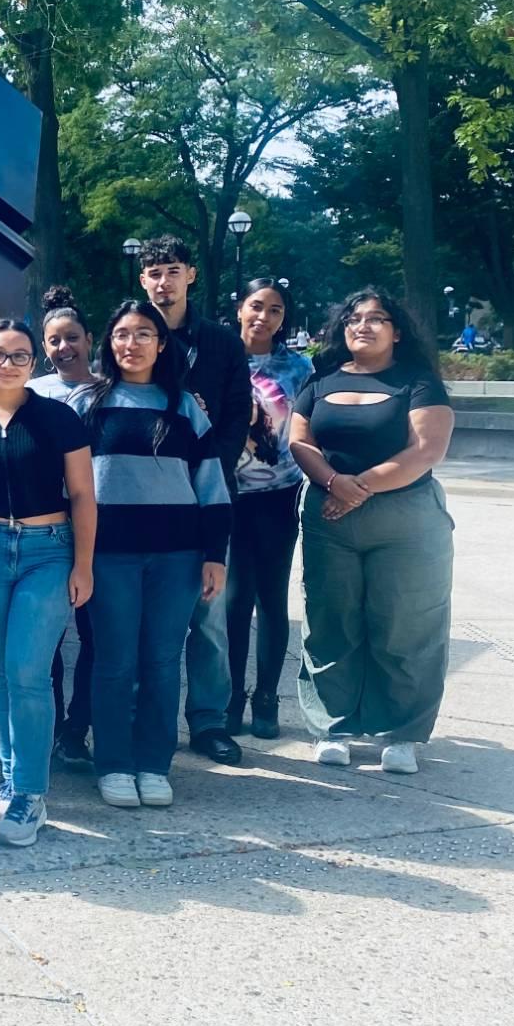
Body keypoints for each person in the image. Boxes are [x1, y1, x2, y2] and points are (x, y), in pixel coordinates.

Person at [0, 320, 95, 848]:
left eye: (20, 356)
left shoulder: (57, 418)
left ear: (35, 364)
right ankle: (10, 778)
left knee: (28, 671)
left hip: (46, 550)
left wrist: (83, 564)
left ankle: (30, 793)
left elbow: (82, 496)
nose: (8, 363)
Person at [289, 288, 456, 775]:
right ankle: (333, 727)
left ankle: (401, 733)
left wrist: (357, 488)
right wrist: (334, 483)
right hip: (329, 520)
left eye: (377, 318)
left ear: (397, 331)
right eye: (354, 319)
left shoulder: (419, 382)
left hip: (407, 521)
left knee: (406, 624)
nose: (363, 325)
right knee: (330, 622)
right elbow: (300, 441)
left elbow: (426, 450)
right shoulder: (320, 382)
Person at [73, 300, 230, 808]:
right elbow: (65, 485)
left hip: (177, 556)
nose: (132, 343)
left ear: (162, 345)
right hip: (108, 556)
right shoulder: (86, 404)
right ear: (109, 342)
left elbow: (211, 485)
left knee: (163, 661)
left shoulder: (183, 406)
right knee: (115, 661)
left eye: (144, 334)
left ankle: (154, 763)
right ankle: (114, 763)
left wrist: (215, 554)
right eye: (122, 334)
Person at [137, 236, 249, 767]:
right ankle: (141, 716)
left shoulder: (222, 343)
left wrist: (207, 464)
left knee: (208, 613)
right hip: (141, 496)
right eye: (154, 272)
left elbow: (235, 415)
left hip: (203, 490)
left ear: (190, 276)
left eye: (172, 271)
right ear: (143, 280)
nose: (164, 281)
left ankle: (208, 720)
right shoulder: (130, 334)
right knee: (142, 617)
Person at [225, 278, 314, 739]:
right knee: (234, 599)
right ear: (240, 308)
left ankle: (266, 698)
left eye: (275, 310)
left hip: (278, 496)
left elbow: (313, 425)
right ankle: (232, 695)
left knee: (271, 599)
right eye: (256, 306)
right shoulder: (219, 355)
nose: (263, 316)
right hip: (228, 494)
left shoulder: (298, 368)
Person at [31, 285, 98, 768]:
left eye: (71, 338)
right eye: (53, 340)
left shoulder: (110, 389)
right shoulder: (31, 392)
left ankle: (79, 728)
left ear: (89, 339)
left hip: (102, 527)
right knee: (47, 638)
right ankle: (51, 725)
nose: (63, 348)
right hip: (47, 529)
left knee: (96, 636)